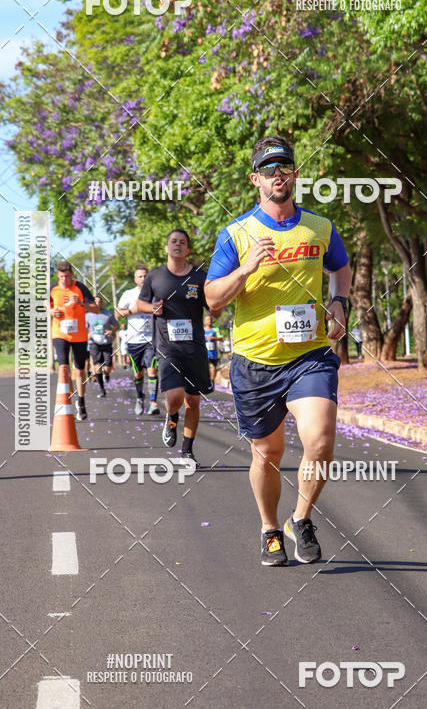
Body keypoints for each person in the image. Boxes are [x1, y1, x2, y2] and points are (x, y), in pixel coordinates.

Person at [205, 135, 351, 566]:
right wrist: (246, 268)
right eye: (268, 170)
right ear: (256, 180)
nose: (277, 176)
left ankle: (300, 518)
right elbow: (212, 299)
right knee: (267, 453)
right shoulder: (236, 234)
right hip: (255, 360)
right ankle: (270, 528)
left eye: (284, 167)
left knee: (320, 439)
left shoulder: (319, 228)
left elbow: (340, 266)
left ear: (295, 174)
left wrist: (339, 300)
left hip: (309, 355)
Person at [134, 229, 221, 466]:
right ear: (166, 247)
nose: (178, 245)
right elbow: (140, 303)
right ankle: (171, 418)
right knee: (174, 396)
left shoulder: (200, 276)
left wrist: (218, 303)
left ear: (188, 250)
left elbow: (215, 309)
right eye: (173, 241)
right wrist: (151, 308)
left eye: (183, 242)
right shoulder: (155, 276)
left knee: (193, 401)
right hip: (167, 345)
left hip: (195, 347)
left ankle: (187, 450)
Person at [49, 260, 99, 421]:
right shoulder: (53, 289)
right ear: (58, 276)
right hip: (60, 333)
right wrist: (51, 311)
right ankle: (66, 397)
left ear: (71, 274)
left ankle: (81, 402)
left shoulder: (80, 288)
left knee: (80, 370)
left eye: (67, 276)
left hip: (79, 335)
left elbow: (96, 308)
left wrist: (81, 303)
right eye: (61, 277)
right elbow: (46, 304)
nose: (64, 280)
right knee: (63, 367)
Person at [115, 266, 160, 415]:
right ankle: (140, 397)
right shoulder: (128, 294)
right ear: (135, 279)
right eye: (140, 276)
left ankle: (153, 403)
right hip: (134, 340)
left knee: (152, 370)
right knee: (138, 374)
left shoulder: (156, 293)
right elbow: (117, 314)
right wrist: (132, 311)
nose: (143, 279)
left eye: (145, 276)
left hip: (151, 339)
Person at [86, 295, 119, 398]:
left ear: (102, 303)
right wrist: (87, 335)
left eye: (100, 302)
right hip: (94, 343)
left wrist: (112, 331)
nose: (98, 304)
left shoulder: (108, 314)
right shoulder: (88, 315)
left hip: (106, 343)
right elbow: (83, 328)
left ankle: (107, 374)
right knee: (97, 366)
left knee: (108, 366)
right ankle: (101, 389)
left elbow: (117, 325)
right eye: (95, 302)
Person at [204, 313, 224, 388]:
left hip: (214, 352)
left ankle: (212, 381)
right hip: (205, 352)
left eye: (210, 319)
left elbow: (221, 338)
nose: (210, 321)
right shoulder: (202, 330)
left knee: (214, 366)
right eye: (208, 319)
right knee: (206, 366)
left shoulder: (215, 329)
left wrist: (213, 338)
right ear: (204, 321)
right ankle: (207, 380)